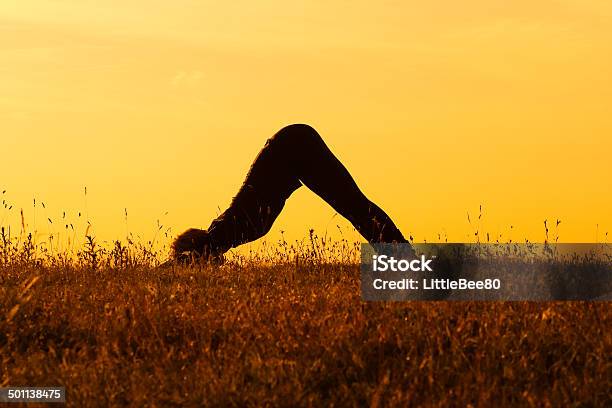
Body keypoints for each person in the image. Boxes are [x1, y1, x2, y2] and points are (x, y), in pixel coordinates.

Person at [173, 124, 409, 262]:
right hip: (293, 146)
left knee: (353, 206)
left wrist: (181, 262)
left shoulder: (227, 230)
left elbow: (180, 264)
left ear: (195, 254)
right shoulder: (229, 232)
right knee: (354, 206)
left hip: (295, 147)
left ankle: (405, 261)